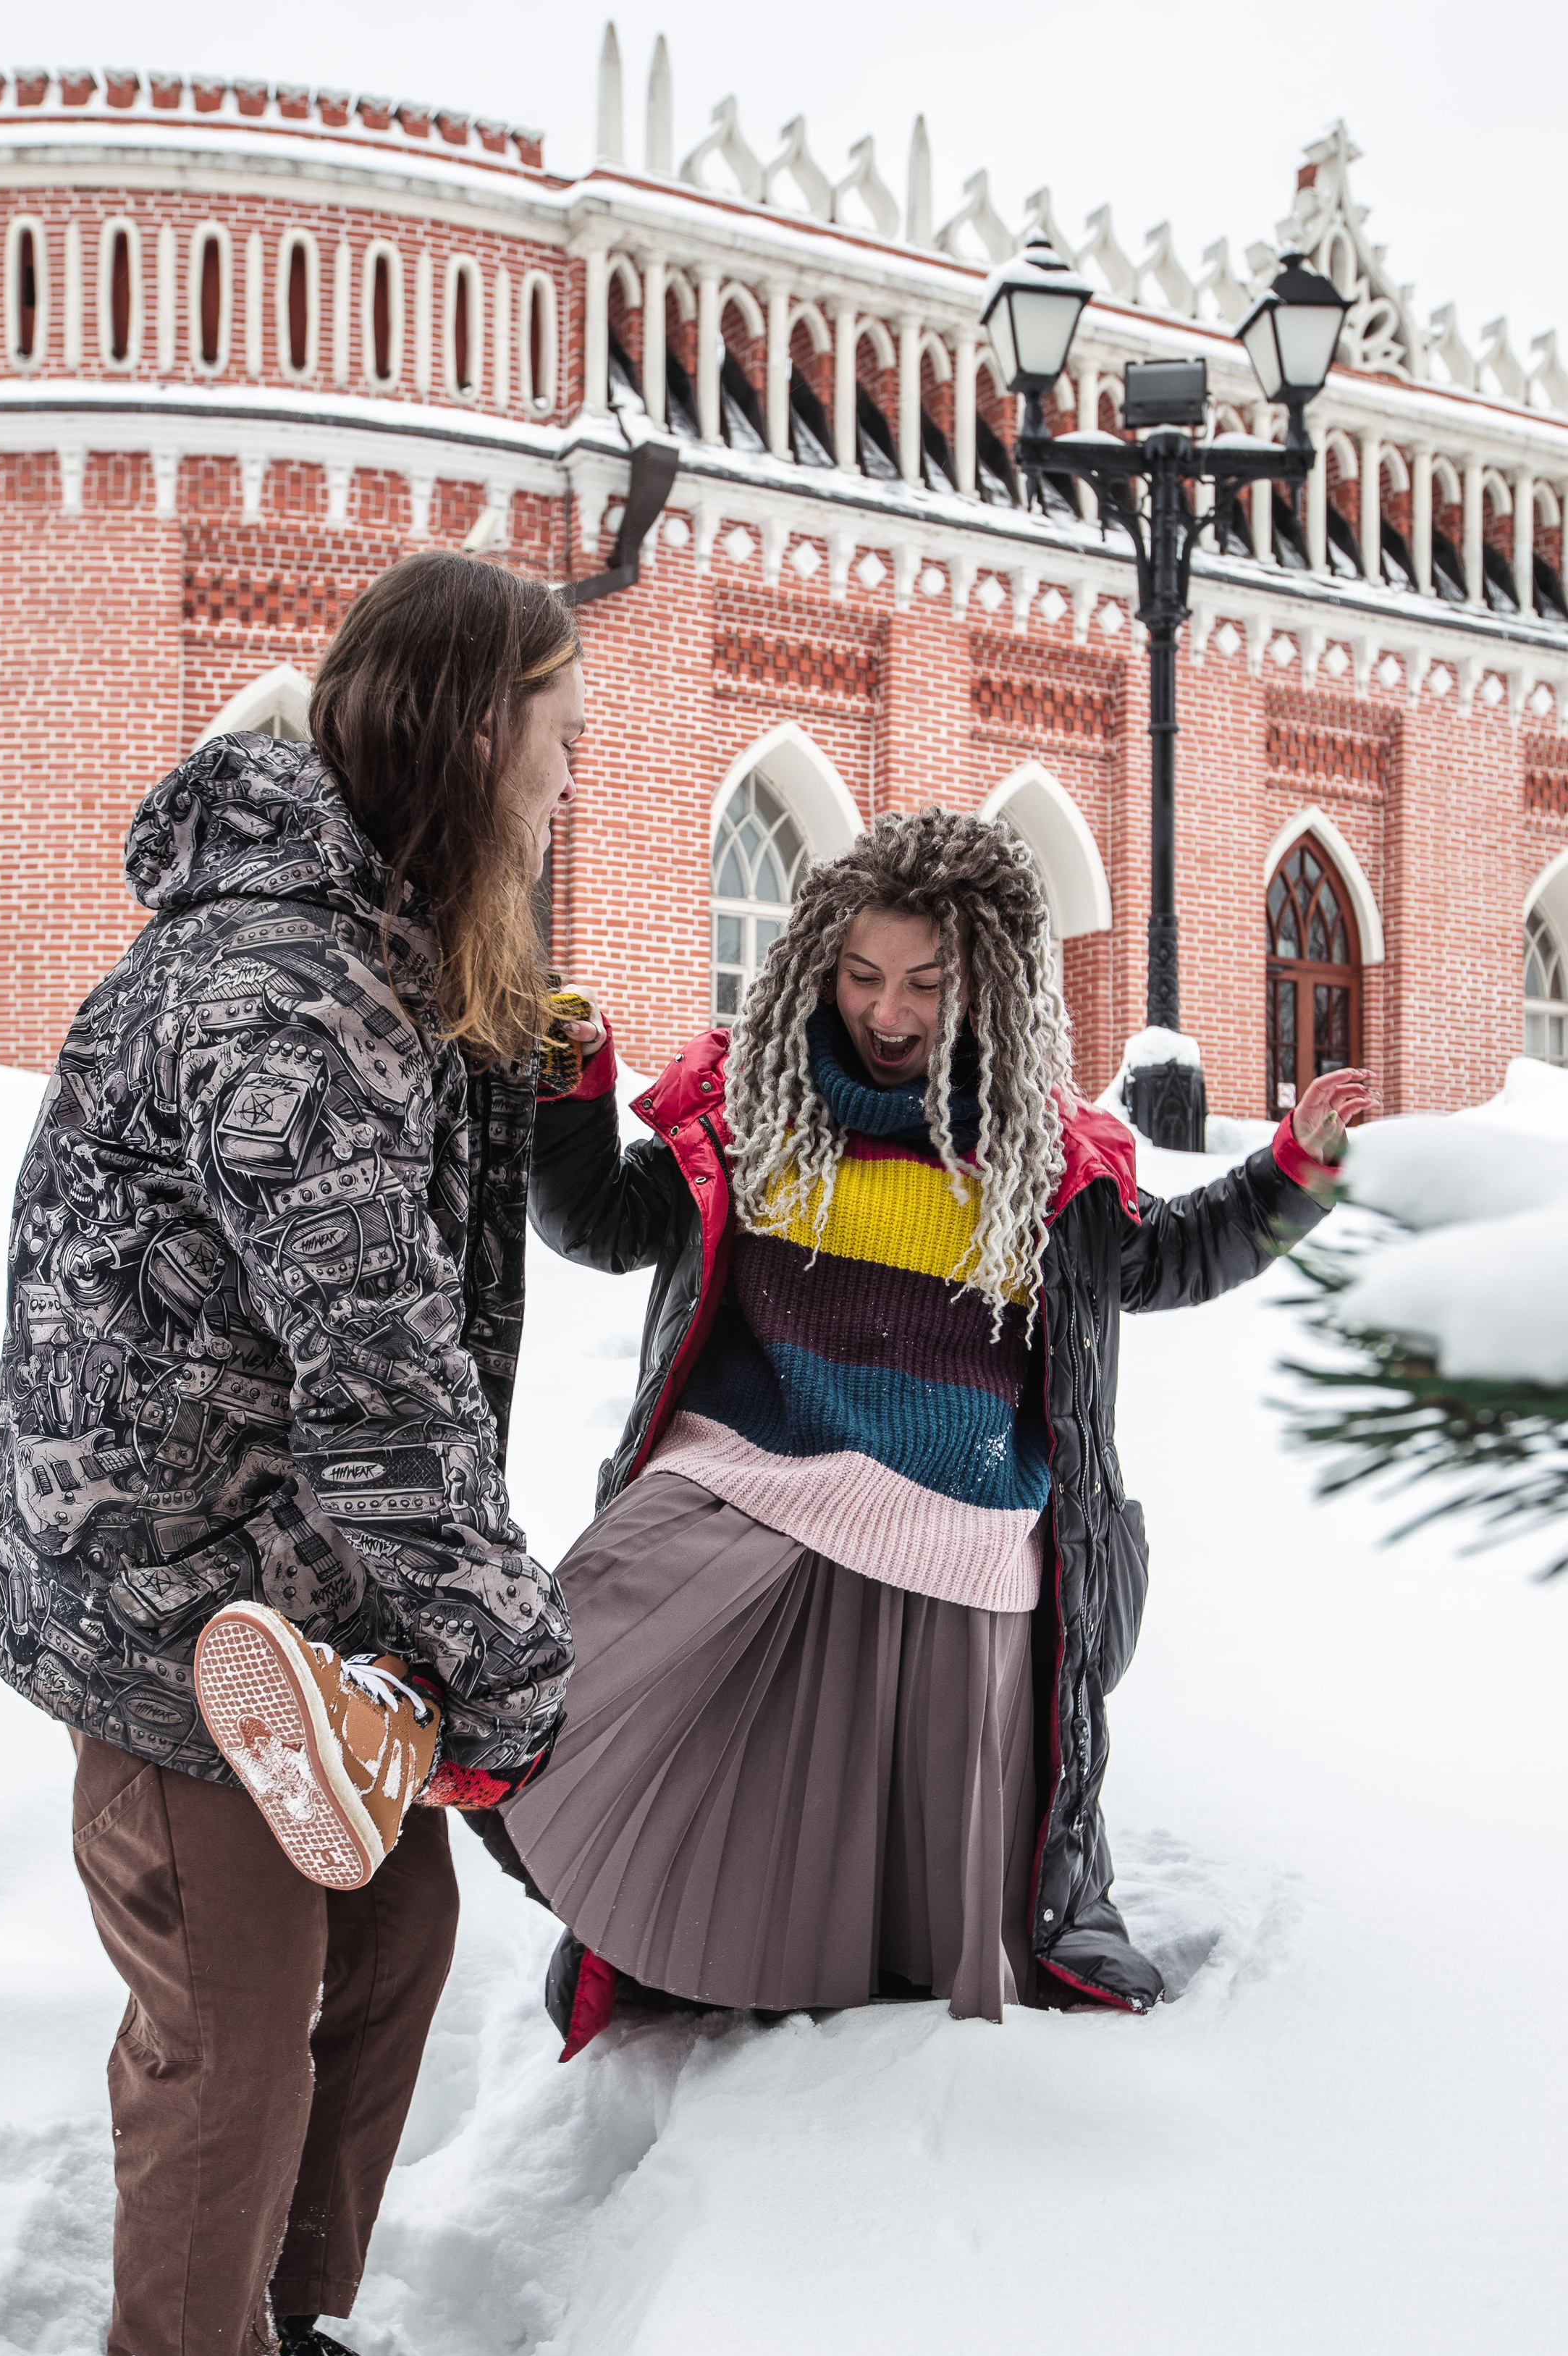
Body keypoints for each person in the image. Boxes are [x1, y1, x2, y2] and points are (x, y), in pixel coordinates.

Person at [0, 552, 586, 2356]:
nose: (574, 783)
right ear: (475, 736)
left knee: (391, 1925)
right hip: (167, 1599)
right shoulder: (279, 997)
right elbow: (385, 1389)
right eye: (560, 738)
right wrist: (509, 1673)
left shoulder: (370, 957)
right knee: (233, 2004)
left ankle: (277, 2339)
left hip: (278, 1585)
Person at [489, 804, 1372, 2054]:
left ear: (992, 991)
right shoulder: (757, 1114)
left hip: (952, 1548)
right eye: (859, 976)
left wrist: (1293, 1173)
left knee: (879, 1869)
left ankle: (814, 2001)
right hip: (749, 1489)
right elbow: (601, 1225)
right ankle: (460, 1747)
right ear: (815, 967)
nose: (886, 1012)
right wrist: (570, 1089)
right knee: (575, 1665)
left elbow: (1167, 1262)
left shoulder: (1041, 1165)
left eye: (923, 982)